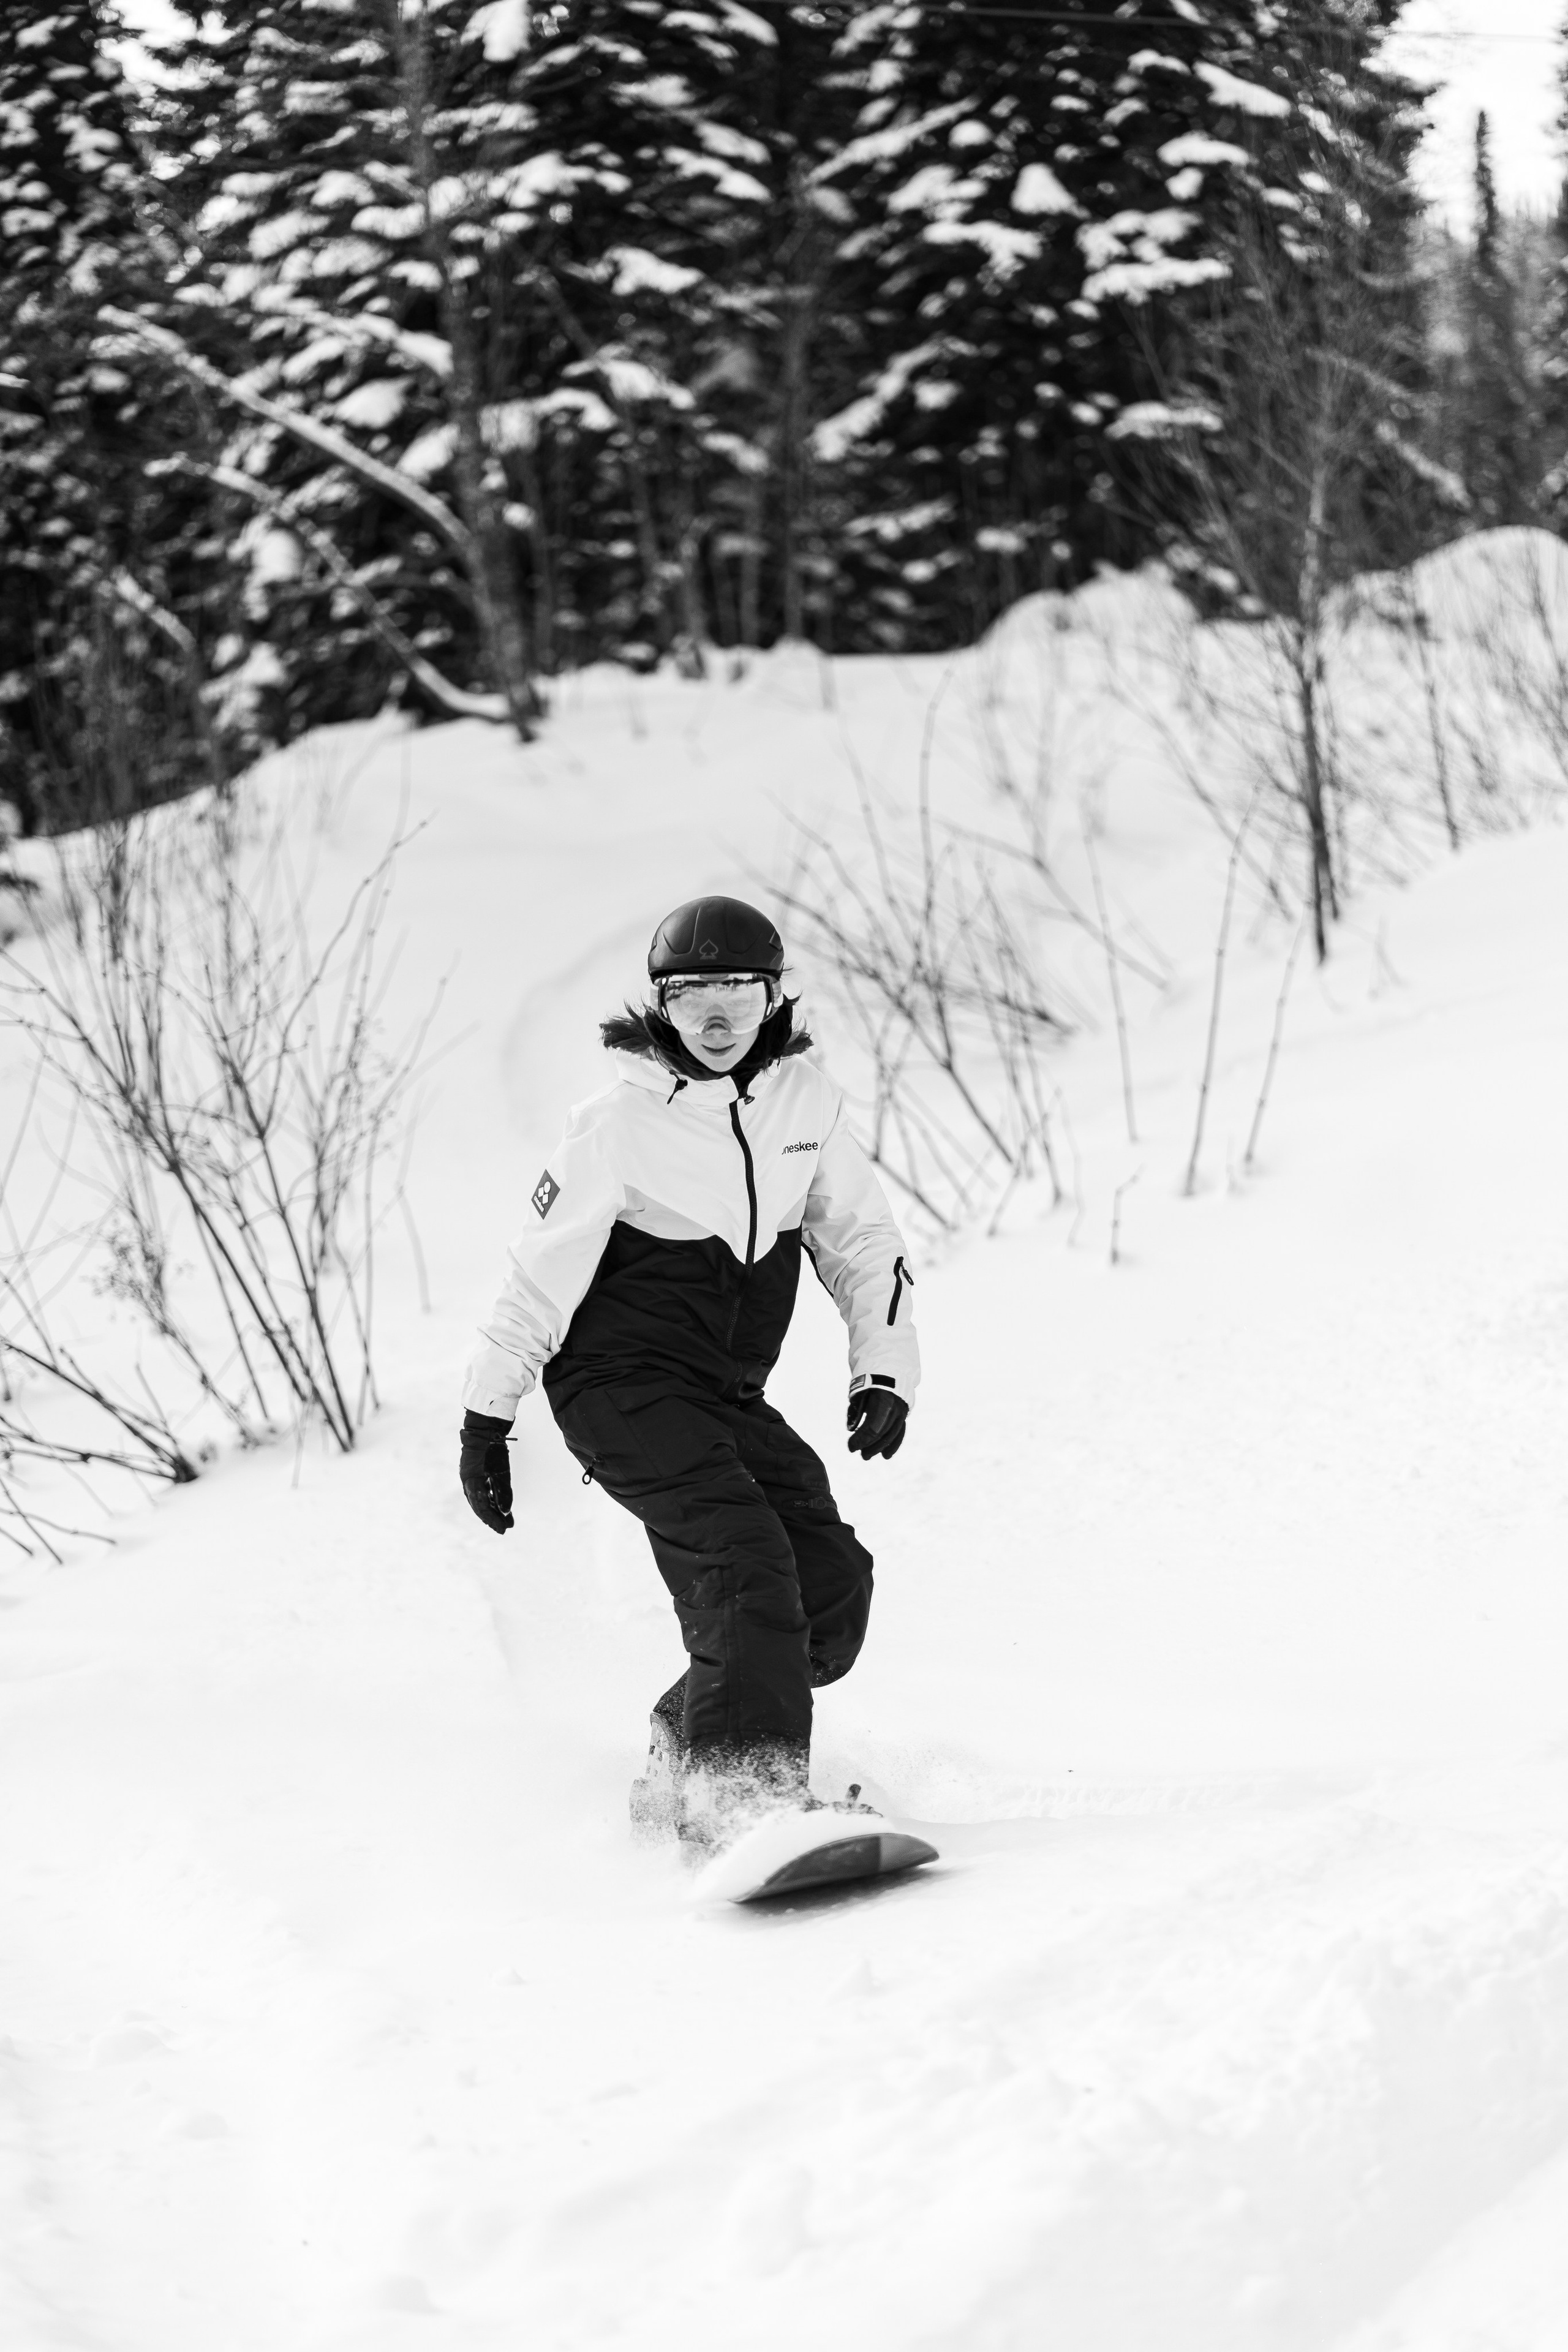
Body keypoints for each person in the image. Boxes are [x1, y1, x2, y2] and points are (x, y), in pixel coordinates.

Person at [457, 895, 919, 1852]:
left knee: (827, 1589)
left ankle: (686, 1747)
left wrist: (883, 1370)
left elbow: (862, 1240)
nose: (717, 1020)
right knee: (745, 1563)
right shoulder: (618, 1123)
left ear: (772, 999)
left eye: (739, 996)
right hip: (618, 1389)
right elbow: (536, 1273)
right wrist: (485, 1416)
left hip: (722, 1394)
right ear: (662, 1004)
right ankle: (740, 1801)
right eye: (694, 994)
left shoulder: (806, 1105)